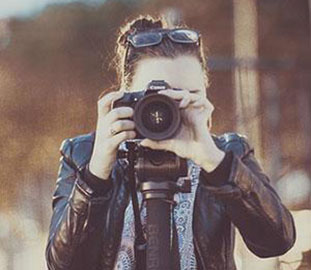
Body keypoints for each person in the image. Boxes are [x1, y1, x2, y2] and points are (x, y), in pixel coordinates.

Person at [45, 15, 296, 270]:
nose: (167, 111)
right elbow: (62, 265)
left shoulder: (226, 154)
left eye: (187, 96)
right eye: (155, 96)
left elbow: (277, 241)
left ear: (206, 96)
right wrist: (96, 175)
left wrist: (214, 162)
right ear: (125, 95)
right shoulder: (83, 154)